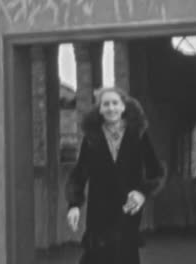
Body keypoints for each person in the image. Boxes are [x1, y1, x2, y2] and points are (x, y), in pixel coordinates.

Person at [65, 86, 165, 264]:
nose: (111, 108)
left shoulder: (138, 135)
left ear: (123, 107)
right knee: (95, 257)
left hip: (127, 210)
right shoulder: (92, 138)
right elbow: (79, 174)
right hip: (99, 212)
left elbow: (156, 171)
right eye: (106, 104)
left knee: (125, 255)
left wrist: (142, 193)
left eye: (115, 103)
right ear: (100, 109)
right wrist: (74, 205)